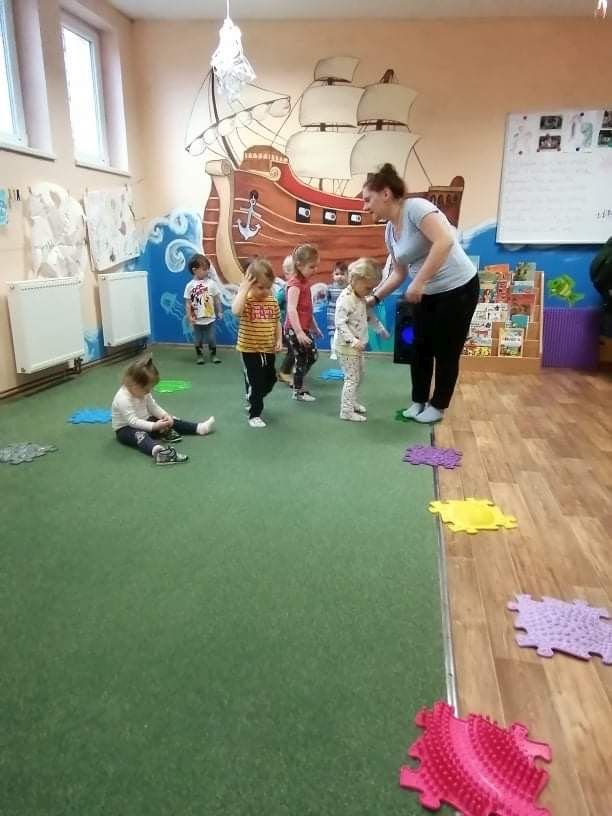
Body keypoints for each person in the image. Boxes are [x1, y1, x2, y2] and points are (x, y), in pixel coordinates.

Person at [362, 163, 479, 424]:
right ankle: (419, 401)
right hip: (427, 292)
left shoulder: (416, 208)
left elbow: (445, 241)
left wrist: (419, 282)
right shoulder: (389, 230)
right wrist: (373, 298)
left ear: (386, 194)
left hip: (458, 288)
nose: (364, 206)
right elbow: (398, 273)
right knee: (419, 347)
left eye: (368, 199)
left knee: (446, 351)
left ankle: (438, 406)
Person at [111, 357, 215, 465]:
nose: (148, 392)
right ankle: (159, 453)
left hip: (145, 421)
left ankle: (198, 428)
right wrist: (154, 426)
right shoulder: (123, 398)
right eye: (146, 389)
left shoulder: (143, 392)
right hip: (125, 429)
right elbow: (133, 421)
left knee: (170, 420)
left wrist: (165, 415)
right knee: (141, 435)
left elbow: (153, 407)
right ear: (134, 384)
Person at [333, 258, 389, 422]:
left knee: (360, 375)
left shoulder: (361, 297)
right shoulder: (346, 299)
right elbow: (339, 323)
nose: (370, 292)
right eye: (368, 288)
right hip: (346, 347)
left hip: (357, 346)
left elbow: (369, 316)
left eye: (372, 289)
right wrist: (352, 341)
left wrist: (380, 329)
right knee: (352, 378)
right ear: (354, 280)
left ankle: (351, 402)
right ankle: (346, 411)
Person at [232, 258, 283, 428]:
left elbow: (277, 322)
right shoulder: (246, 300)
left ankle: (253, 395)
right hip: (249, 350)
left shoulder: (272, 301)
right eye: (260, 287)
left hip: (268, 349)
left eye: (268, 287)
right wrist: (244, 289)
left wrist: (279, 340)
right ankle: (254, 413)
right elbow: (236, 311)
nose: (265, 291)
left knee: (270, 379)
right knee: (256, 382)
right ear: (250, 285)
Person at [285, 244, 323, 402]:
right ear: (299, 265)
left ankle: (298, 381)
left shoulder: (305, 283)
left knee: (312, 356)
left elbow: (307, 310)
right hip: (294, 329)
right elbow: (291, 309)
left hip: (304, 328)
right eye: (311, 267)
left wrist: (315, 328)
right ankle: (298, 391)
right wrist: (299, 332)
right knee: (301, 358)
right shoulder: (294, 285)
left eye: (316, 266)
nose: (315, 270)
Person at [184, 254, 223, 364]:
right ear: (194, 270)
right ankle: (199, 355)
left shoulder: (211, 284)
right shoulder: (190, 286)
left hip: (210, 318)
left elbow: (217, 299)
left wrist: (220, 311)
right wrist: (189, 316)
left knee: (211, 337)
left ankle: (213, 354)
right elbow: (188, 303)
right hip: (196, 319)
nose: (207, 271)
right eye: (204, 269)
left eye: (207, 269)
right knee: (198, 339)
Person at [276, 254, 295, 385]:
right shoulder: (285, 289)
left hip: (293, 326)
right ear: (287, 274)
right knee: (293, 349)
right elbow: (275, 304)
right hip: (285, 326)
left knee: (294, 348)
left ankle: (289, 368)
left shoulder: (296, 287)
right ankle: (284, 372)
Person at [326, 261, 348, 360]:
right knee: (333, 334)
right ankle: (334, 352)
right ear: (333, 275)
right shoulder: (330, 288)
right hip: (333, 315)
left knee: (345, 334)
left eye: (342, 274)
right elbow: (327, 299)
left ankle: (344, 352)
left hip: (345, 316)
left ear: (347, 275)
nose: (339, 276)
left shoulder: (349, 288)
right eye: (337, 274)